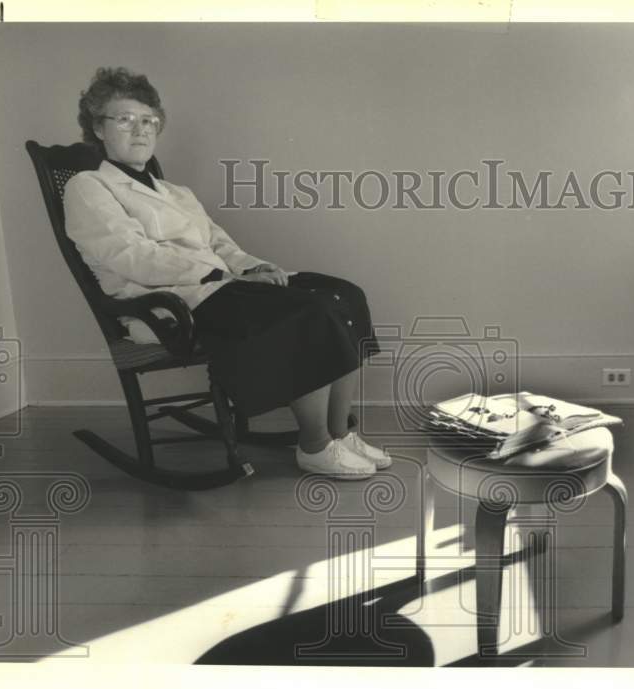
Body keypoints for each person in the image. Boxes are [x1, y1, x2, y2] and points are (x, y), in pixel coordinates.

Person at [64, 67, 390, 480]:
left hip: (219, 286)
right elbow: (131, 256)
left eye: (149, 120)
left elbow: (219, 243)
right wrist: (220, 278)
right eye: (124, 119)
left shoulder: (175, 192)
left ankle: (340, 434)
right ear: (98, 127)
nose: (140, 130)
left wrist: (252, 267)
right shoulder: (89, 186)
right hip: (169, 303)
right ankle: (315, 445)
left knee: (343, 295)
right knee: (307, 312)